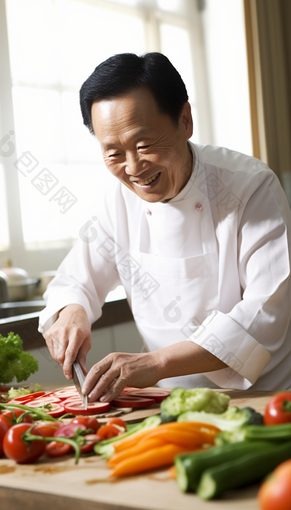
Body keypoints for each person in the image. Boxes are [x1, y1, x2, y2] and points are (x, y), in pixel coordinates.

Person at [39, 52, 291, 402]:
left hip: (263, 398)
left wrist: (156, 362)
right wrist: (71, 314)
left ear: (185, 120)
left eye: (144, 145)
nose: (133, 167)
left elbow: (265, 315)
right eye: (113, 153)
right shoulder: (118, 199)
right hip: (169, 401)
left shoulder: (249, 186)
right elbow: (74, 281)